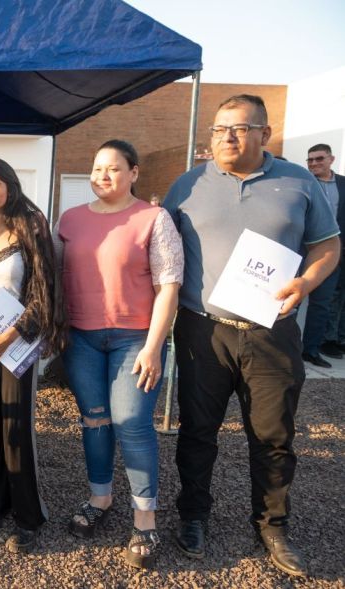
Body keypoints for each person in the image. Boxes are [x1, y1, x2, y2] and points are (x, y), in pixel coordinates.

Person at [164, 95, 340, 578]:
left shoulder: (299, 182)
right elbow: (159, 252)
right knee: (198, 432)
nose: (227, 138)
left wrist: (305, 282)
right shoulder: (188, 184)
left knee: (273, 435)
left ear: (265, 133)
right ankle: (193, 514)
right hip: (204, 329)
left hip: (272, 331)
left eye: (239, 129)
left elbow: (327, 246)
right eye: (219, 129)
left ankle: (272, 525)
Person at [57, 140, 183, 569]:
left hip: (135, 339)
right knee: (94, 420)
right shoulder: (70, 220)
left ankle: (144, 517)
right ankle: (101, 497)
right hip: (82, 338)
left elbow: (169, 284)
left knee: (131, 421)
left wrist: (153, 345)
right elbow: (52, 276)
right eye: (96, 169)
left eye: (113, 169)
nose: (103, 176)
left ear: (134, 173)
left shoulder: (153, 218)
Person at [0, 156, 64, 553]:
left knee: (16, 429)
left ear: (9, 184)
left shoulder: (29, 227)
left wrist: (12, 334)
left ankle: (28, 516)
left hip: (18, 339)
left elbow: (44, 291)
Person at [301, 143, 344, 367]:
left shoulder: (344, 185)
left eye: (319, 159)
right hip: (298, 252)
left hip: (329, 255)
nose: (314, 163)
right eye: (310, 160)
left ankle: (310, 350)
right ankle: (281, 349)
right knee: (291, 302)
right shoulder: (302, 183)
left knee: (322, 304)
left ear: (331, 159)